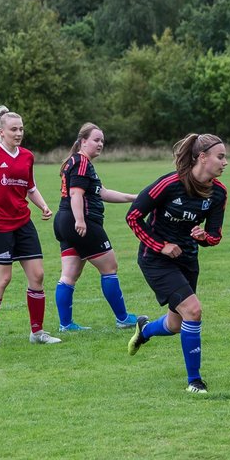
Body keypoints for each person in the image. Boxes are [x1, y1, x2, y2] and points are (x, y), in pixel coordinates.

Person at [126, 133, 228, 395]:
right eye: (221, 156)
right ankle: (195, 381)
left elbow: (215, 235)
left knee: (175, 324)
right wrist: (161, 245)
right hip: (155, 259)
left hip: (188, 260)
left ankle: (145, 331)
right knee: (193, 310)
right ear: (202, 157)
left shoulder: (218, 193)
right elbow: (134, 217)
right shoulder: (169, 184)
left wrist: (204, 237)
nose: (225, 162)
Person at [0, 106, 62, 348]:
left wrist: (43, 206)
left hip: (23, 222)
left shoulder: (27, 156)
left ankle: (37, 332)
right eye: (14, 129)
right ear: (1, 131)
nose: (19, 133)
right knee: (3, 278)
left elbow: (30, 187)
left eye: (21, 129)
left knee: (38, 275)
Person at [53, 122, 142, 331]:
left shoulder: (77, 162)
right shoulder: (81, 162)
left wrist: (134, 198)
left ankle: (66, 324)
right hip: (80, 222)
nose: (100, 144)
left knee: (69, 274)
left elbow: (101, 192)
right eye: (96, 140)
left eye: (102, 140)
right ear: (83, 142)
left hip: (64, 221)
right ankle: (123, 318)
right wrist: (81, 221)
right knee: (109, 266)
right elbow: (76, 193)